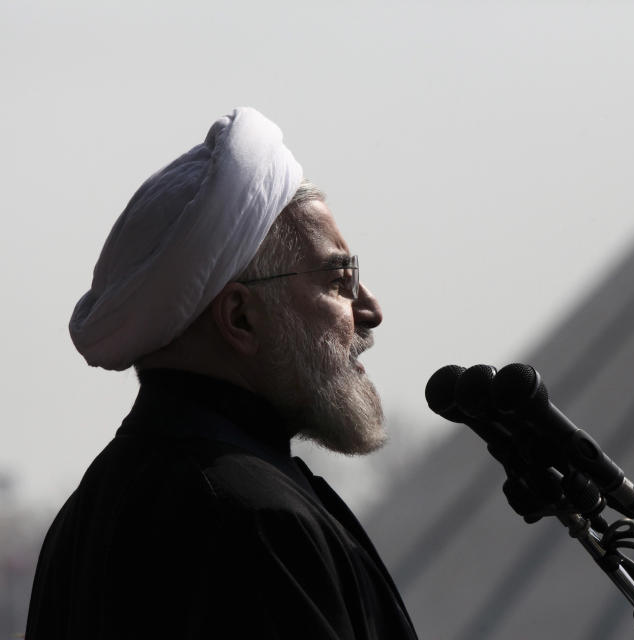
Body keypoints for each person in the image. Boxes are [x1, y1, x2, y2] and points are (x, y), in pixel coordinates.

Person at [26, 107, 418, 639]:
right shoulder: (252, 519)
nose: (368, 309)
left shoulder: (87, 514)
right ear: (239, 318)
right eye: (338, 280)